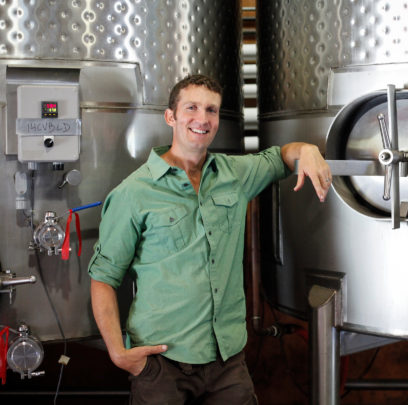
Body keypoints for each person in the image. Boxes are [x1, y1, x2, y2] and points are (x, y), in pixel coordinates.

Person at [88, 74, 331, 404]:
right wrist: (118, 352)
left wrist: (307, 149)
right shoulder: (133, 193)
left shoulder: (235, 174)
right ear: (171, 116)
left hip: (227, 363)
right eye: (191, 108)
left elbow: (279, 158)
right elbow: (103, 278)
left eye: (211, 110)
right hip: (161, 364)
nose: (202, 119)